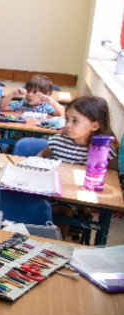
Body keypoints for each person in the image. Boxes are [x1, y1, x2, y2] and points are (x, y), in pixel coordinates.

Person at [38, 96, 119, 240]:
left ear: (94, 126)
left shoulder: (104, 152)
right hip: (48, 191)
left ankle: (56, 245)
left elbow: (107, 182)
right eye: (67, 119)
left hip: (73, 200)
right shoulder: (58, 141)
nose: (68, 125)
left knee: (61, 211)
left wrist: (84, 206)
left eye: (75, 121)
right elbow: (39, 158)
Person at [0, 74, 65, 116]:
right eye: (28, 91)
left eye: (35, 92)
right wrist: (13, 93)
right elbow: (1, 107)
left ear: (46, 95)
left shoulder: (46, 107)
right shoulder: (22, 104)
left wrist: (51, 101)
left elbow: (62, 114)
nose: (30, 94)